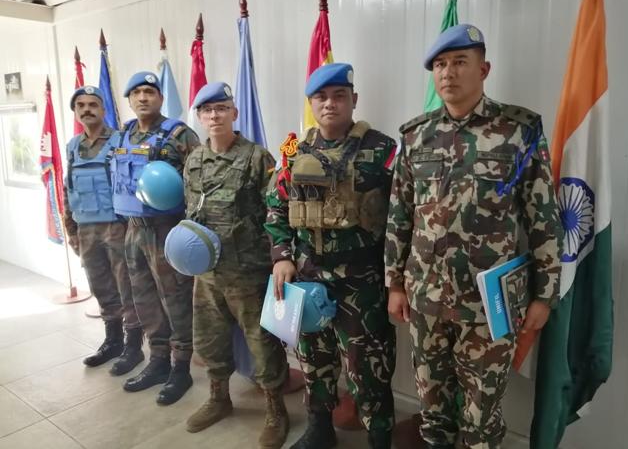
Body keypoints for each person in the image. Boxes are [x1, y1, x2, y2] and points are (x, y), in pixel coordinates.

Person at [384, 24, 563, 449]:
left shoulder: (519, 131)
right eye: (440, 65)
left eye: (460, 62)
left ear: (484, 69)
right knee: (433, 411)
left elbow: (544, 218)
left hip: (490, 306)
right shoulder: (415, 136)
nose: (448, 72)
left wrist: (544, 295)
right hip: (426, 298)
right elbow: (399, 214)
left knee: (482, 418)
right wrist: (394, 282)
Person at [266, 62, 397, 449]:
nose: (330, 104)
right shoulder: (294, 151)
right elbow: (276, 208)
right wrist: (281, 256)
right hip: (307, 275)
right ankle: (319, 426)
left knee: (368, 365)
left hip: (362, 278)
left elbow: (402, 213)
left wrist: (396, 277)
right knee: (313, 357)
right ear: (311, 103)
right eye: (321, 97)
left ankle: (379, 435)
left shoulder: (382, 149)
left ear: (353, 100)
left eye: (339, 96)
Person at [181, 82, 290, 448]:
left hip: (248, 273)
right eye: (207, 110)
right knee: (210, 341)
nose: (215, 115)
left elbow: (277, 213)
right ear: (199, 116)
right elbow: (190, 212)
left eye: (222, 108)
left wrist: (279, 258)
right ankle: (218, 398)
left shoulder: (258, 158)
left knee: (263, 344)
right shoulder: (194, 159)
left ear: (234, 113)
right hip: (207, 273)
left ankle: (277, 410)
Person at [111, 71, 200, 405]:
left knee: (175, 299)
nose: (143, 98)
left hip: (166, 229)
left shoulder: (179, 134)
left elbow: (198, 181)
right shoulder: (123, 136)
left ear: (160, 98)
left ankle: (181, 367)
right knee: (144, 298)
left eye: (150, 91)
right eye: (136, 93)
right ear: (130, 100)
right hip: (133, 230)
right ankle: (158, 360)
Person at [63, 85, 142, 373]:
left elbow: (133, 182)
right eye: (80, 105)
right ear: (75, 111)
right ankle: (113, 342)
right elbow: (66, 188)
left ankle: (134, 347)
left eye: (93, 104)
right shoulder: (73, 146)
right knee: (100, 286)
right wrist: (70, 228)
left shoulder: (121, 140)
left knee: (127, 287)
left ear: (103, 109)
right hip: (86, 228)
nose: (87, 109)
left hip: (117, 226)